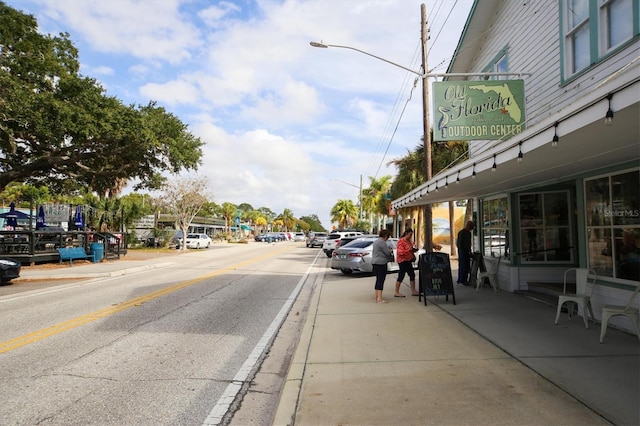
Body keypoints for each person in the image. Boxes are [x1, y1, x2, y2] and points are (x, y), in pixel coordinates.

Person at [393, 229, 420, 297]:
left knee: (412, 274)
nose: (411, 236)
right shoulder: (401, 241)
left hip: (408, 260)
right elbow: (400, 252)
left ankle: (413, 291)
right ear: (406, 233)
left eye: (411, 235)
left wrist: (413, 251)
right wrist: (408, 250)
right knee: (401, 275)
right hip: (402, 260)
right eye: (410, 234)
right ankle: (396, 292)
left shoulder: (409, 241)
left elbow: (410, 249)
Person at [372, 229, 394, 303]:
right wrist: (390, 251)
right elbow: (387, 253)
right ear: (385, 236)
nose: (387, 238)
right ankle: (379, 298)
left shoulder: (376, 242)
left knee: (378, 279)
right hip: (381, 262)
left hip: (375, 262)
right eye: (387, 237)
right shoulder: (382, 242)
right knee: (381, 280)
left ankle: (377, 296)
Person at [456, 221, 474, 286]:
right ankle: (461, 280)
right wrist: (462, 250)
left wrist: (470, 251)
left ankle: (465, 279)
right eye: (470, 226)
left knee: (467, 265)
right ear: (467, 225)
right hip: (462, 251)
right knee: (462, 265)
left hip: (467, 251)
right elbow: (459, 244)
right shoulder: (462, 233)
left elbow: (469, 244)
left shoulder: (469, 233)